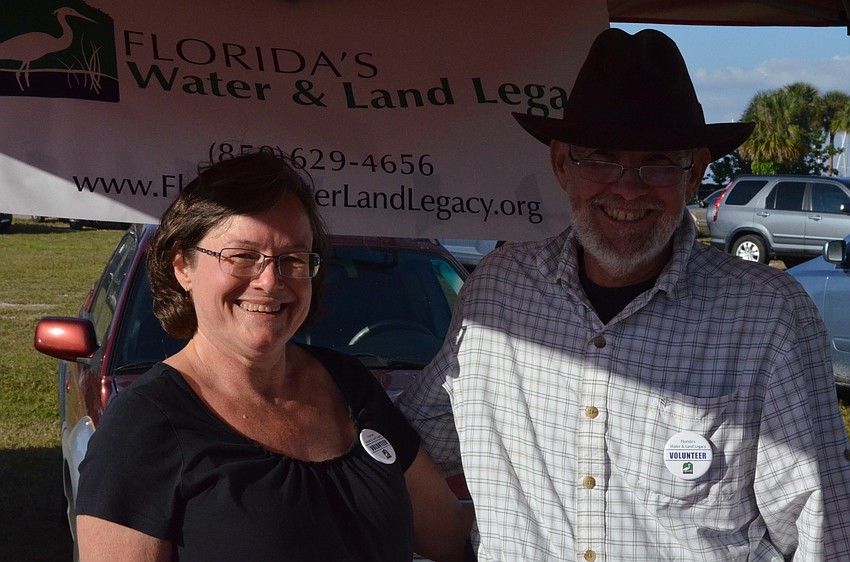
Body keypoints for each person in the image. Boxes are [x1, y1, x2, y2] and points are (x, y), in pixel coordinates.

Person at [398, 28, 850, 561]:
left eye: (657, 161)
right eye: (601, 158)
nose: (628, 187)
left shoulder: (770, 316)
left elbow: (822, 531)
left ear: (695, 172)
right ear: (562, 165)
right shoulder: (496, 295)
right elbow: (416, 441)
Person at [75, 150, 474, 561]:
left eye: (292, 259)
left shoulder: (350, 386)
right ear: (183, 267)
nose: (270, 280)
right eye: (243, 256)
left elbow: (447, 535)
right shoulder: (141, 429)